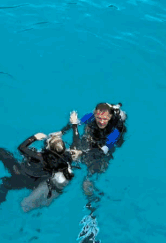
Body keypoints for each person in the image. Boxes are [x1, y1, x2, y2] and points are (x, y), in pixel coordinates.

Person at [66, 102, 127, 243]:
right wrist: (71, 124)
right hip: (93, 142)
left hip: (102, 150)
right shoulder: (94, 117)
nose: (101, 121)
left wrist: (81, 153)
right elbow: (77, 123)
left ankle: (92, 209)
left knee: (87, 181)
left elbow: (102, 151)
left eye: (105, 119)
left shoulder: (115, 131)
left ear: (110, 117)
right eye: (99, 118)